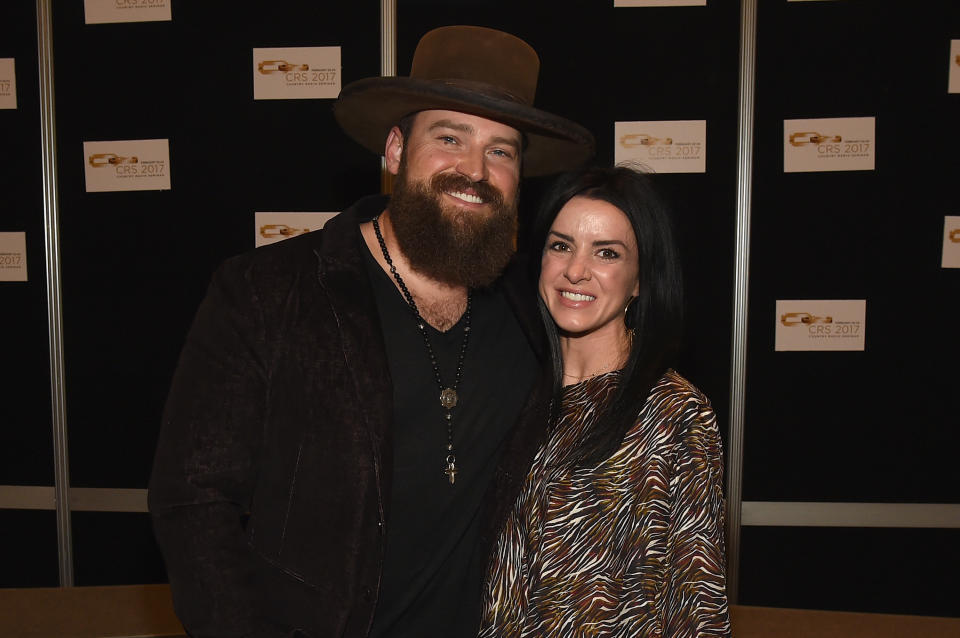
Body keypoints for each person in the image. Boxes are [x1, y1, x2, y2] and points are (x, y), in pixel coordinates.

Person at [147, 25, 593, 638]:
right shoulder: (269, 293)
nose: (474, 170)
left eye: (501, 150)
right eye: (448, 138)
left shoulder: (533, 309)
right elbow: (193, 503)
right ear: (394, 150)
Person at [479, 165, 731, 637]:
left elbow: (698, 606)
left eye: (607, 253)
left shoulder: (673, 414)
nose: (576, 270)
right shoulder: (506, 394)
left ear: (639, 279)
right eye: (561, 245)